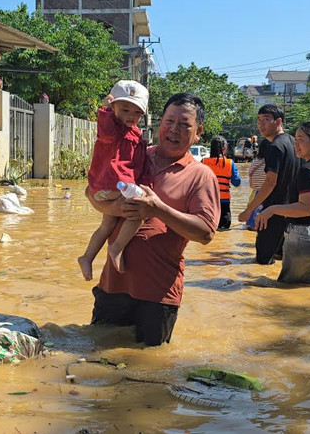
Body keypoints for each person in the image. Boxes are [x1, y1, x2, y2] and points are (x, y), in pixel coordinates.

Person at [85, 93, 219, 346]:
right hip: (112, 286)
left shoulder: (201, 175)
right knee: (98, 363)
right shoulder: (135, 155)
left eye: (184, 125)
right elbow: (91, 195)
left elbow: (205, 233)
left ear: (198, 132)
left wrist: (157, 209)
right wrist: (114, 206)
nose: (174, 130)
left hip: (158, 295)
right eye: (169, 121)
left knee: (147, 370)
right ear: (159, 124)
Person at [77, 80, 151, 281]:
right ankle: (117, 247)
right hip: (112, 185)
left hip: (112, 187)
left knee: (107, 224)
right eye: (125, 110)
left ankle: (87, 257)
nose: (130, 116)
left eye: (136, 113)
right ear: (113, 107)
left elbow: (138, 163)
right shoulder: (112, 131)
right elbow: (107, 131)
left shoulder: (135, 134)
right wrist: (106, 111)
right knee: (137, 214)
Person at [255, 122, 310, 284]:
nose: (295, 144)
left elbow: (308, 208)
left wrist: (272, 209)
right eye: (295, 139)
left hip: (307, 239)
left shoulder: (308, 169)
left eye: (300, 140)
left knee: (290, 295)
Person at [238, 104, 298, 265]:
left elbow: (270, 183)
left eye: (266, 119)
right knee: (282, 261)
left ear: (278, 121)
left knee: (262, 262)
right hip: (292, 211)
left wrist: (249, 210)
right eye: (259, 119)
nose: (261, 124)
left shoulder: (275, 147)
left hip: (271, 213)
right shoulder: (293, 142)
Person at [202, 136, 241, 231]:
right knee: (223, 230)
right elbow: (237, 182)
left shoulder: (204, 162)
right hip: (224, 201)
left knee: (208, 228)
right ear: (225, 149)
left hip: (208, 201)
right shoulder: (229, 163)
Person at [245, 137, 267, 230]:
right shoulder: (271, 163)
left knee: (251, 225)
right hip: (267, 195)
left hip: (254, 194)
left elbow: (251, 185)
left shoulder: (254, 163)